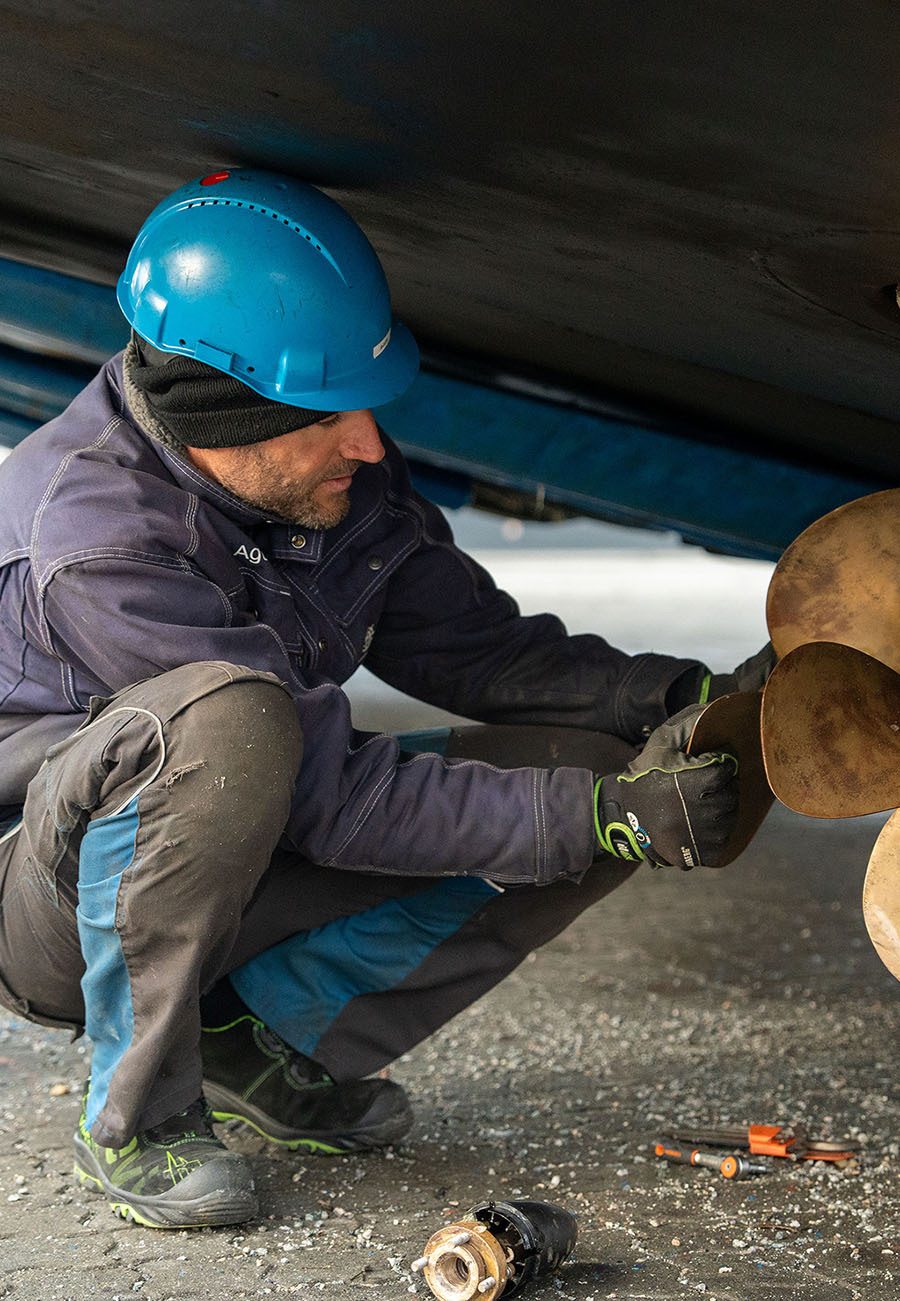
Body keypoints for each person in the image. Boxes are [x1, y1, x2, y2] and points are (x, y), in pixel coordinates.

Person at [0, 169, 770, 1230]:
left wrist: (681, 695)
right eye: (329, 416)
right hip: (46, 894)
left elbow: (477, 647)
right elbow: (328, 790)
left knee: (596, 773)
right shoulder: (100, 542)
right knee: (235, 718)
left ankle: (257, 1040)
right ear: (226, 418)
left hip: (231, 831)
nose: (370, 442)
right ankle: (137, 1114)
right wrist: (587, 820)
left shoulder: (321, 466)